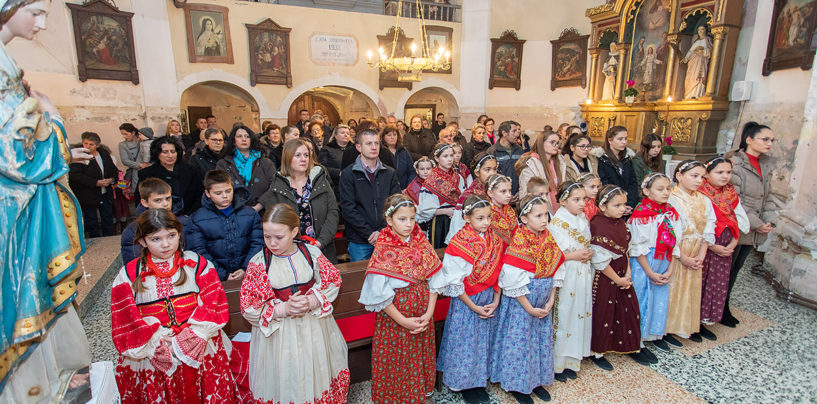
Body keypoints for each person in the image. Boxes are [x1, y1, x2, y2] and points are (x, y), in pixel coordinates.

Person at [0, 2, 91, 398]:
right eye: (35, 10)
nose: (41, 23)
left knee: (32, 288)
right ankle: (29, 385)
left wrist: (60, 144)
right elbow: (17, 157)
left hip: (22, 202)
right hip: (14, 207)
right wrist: (53, 119)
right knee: (22, 290)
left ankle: (49, 374)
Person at [110, 209, 237, 402]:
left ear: (179, 233)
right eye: (156, 239)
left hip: (200, 344)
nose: (166, 244)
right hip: (154, 351)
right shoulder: (128, 274)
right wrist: (158, 340)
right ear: (143, 241)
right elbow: (125, 319)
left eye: (171, 235)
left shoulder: (196, 263)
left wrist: (192, 335)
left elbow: (214, 303)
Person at [240, 204, 349, 404]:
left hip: (314, 327)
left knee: (315, 368)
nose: (272, 243)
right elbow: (250, 307)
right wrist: (283, 309)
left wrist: (312, 300)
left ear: (294, 231)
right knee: (287, 374)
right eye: (266, 236)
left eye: (278, 237)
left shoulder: (310, 254)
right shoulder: (259, 264)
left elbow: (332, 280)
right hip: (280, 335)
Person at [358, 194, 446, 404]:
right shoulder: (384, 247)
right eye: (402, 219)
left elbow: (435, 279)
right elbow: (378, 294)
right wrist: (403, 320)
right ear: (389, 220)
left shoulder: (421, 241)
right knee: (399, 360)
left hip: (423, 313)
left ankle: (418, 395)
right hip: (396, 319)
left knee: (419, 357)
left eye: (412, 218)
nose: (409, 224)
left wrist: (429, 312)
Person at [490, 195, 563, 404]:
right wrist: (529, 307)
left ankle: (536, 379)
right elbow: (512, 280)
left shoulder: (548, 238)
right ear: (524, 219)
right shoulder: (520, 243)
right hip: (522, 305)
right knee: (520, 342)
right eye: (538, 215)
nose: (544, 220)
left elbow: (557, 269)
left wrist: (551, 300)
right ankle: (518, 385)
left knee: (539, 341)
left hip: (542, 302)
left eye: (546, 215)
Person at [436, 195, 504, 402]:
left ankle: (479, 380)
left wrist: (496, 299)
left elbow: (500, 271)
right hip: (467, 302)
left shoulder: (495, 239)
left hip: (489, 298)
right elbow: (455, 282)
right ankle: (464, 384)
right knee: (466, 343)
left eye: (489, 217)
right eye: (480, 218)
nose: (486, 222)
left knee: (484, 341)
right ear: (467, 218)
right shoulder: (459, 244)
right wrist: (475, 307)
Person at [724, 122, 777, 327]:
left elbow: (769, 195)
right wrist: (756, 223)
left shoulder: (765, 165)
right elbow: (734, 198)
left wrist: (768, 220)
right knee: (725, 270)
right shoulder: (735, 164)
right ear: (749, 139)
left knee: (736, 269)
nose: (769, 143)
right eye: (765, 139)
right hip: (738, 225)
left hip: (754, 227)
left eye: (772, 140)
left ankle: (725, 306)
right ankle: (718, 307)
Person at [588, 185, 643, 370]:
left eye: (624, 205)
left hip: (622, 272)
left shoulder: (621, 223)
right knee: (604, 311)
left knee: (627, 309)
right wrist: (617, 279)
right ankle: (598, 350)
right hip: (606, 276)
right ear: (603, 206)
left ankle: (627, 344)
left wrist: (627, 273)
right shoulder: (598, 224)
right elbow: (600, 261)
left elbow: (626, 248)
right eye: (617, 205)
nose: (622, 209)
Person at [627, 173, 682, 354]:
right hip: (645, 263)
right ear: (646, 191)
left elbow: (674, 242)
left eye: (668, 188)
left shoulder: (670, 212)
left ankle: (655, 334)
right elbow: (637, 247)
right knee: (643, 298)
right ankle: (638, 340)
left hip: (664, 260)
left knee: (659, 298)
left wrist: (670, 268)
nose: (665, 193)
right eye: (660, 189)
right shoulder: (642, 214)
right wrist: (649, 272)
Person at [260, 138, 340, 263]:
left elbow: (333, 212)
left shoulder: (320, 180)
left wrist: (320, 242)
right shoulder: (278, 185)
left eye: (306, 155)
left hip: (321, 250)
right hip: (289, 254)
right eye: (298, 155)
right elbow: (273, 222)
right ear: (288, 157)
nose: (303, 159)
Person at [548, 182, 595, 381]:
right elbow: (552, 255)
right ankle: (558, 362)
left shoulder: (582, 218)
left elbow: (586, 242)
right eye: (576, 200)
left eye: (584, 199)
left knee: (579, 312)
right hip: (566, 273)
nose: (582, 203)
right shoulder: (556, 223)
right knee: (565, 313)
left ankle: (573, 359)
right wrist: (574, 255)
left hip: (582, 271)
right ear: (563, 200)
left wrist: (588, 252)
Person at [667, 160, 717, 342]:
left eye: (702, 177)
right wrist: (681, 255)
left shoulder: (704, 199)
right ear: (679, 175)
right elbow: (669, 229)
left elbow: (709, 225)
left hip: (697, 249)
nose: (699, 181)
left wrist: (702, 253)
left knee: (690, 288)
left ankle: (685, 326)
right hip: (679, 250)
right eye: (694, 176)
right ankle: (668, 327)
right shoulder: (671, 197)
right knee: (674, 287)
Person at [186, 169, 264, 281]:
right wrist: (222, 275)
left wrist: (245, 268)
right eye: (218, 193)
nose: (224, 196)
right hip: (214, 278)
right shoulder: (197, 219)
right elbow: (198, 251)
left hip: (249, 274)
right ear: (207, 193)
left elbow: (258, 243)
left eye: (228, 191)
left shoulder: (250, 214)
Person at [699, 157, 750, 327]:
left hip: (727, 244)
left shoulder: (730, 192)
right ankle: (695, 320)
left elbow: (737, 217)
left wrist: (735, 240)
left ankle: (708, 318)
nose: (725, 176)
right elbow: (698, 222)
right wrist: (712, 246)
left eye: (728, 172)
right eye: (719, 172)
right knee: (703, 281)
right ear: (707, 173)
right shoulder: (701, 192)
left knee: (717, 282)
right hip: (706, 245)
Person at [339, 130, 401, 261]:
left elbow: (395, 204)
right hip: (360, 240)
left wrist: (382, 230)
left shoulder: (389, 173)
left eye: (376, 143)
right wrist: (369, 233)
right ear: (358, 147)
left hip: (386, 236)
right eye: (368, 143)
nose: (374, 147)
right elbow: (348, 209)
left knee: (388, 277)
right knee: (361, 279)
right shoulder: (348, 174)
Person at [120, 178, 188, 264]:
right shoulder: (133, 230)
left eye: (168, 198)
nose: (165, 204)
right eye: (158, 200)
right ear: (144, 202)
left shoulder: (184, 221)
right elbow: (135, 266)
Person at [69, 131, 118, 237]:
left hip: (104, 193)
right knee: (91, 220)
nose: (87, 146)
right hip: (88, 194)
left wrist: (111, 180)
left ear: (97, 145)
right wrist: (95, 182)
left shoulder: (103, 153)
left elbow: (113, 169)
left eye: (91, 144)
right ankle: (95, 241)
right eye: (85, 143)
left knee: (107, 218)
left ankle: (108, 240)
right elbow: (75, 176)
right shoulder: (79, 156)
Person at [216, 125, 276, 212]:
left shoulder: (265, 163)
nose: (244, 139)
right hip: (234, 212)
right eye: (239, 136)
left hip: (263, 212)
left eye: (247, 137)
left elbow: (275, 187)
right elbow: (219, 188)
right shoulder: (223, 164)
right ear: (233, 140)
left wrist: (259, 206)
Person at [138, 136, 203, 215]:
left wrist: (188, 215)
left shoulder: (191, 170)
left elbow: (200, 194)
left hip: (189, 216)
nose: (170, 155)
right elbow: (140, 200)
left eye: (173, 151)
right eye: (165, 152)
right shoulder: (147, 174)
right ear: (157, 154)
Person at [418, 143, 466, 249]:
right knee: (441, 252)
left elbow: (464, 198)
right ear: (436, 158)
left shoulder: (458, 177)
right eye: (445, 156)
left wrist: (458, 211)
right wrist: (446, 211)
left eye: (451, 155)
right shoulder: (431, 180)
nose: (449, 159)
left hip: (457, 219)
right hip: (440, 223)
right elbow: (424, 209)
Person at [445, 153, 498, 244]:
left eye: (494, 169)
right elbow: (458, 227)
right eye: (487, 170)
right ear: (477, 172)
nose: (492, 173)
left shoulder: (496, 193)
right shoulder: (468, 196)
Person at [517, 131, 565, 213]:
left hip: (558, 209)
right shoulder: (531, 164)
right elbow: (525, 194)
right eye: (552, 142)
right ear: (541, 143)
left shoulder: (559, 162)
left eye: (557, 143)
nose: (556, 146)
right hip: (539, 210)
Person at [596, 126, 639, 211]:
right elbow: (604, 182)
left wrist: (629, 203)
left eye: (626, 139)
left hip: (627, 202)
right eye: (620, 139)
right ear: (610, 140)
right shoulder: (601, 159)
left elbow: (632, 182)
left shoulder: (627, 158)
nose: (624, 142)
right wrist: (619, 204)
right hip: (611, 203)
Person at [487, 120, 524, 195]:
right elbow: (490, 177)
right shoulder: (493, 151)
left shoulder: (519, 150)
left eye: (517, 131)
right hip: (500, 196)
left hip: (518, 196)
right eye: (513, 131)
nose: (517, 134)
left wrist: (520, 192)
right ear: (504, 133)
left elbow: (523, 173)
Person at [319, 124, 352, 198]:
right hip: (335, 186)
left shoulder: (354, 149)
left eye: (348, 133)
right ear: (336, 136)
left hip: (352, 185)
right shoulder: (327, 149)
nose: (346, 135)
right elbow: (322, 167)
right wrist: (338, 172)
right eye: (343, 133)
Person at [119, 122, 152, 195]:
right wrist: (140, 165)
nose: (124, 136)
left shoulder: (142, 140)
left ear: (133, 133)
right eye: (122, 134)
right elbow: (125, 160)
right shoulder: (122, 145)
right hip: (134, 170)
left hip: (148, 168)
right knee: (135, 190)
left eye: (126, 134)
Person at [683, 25, 712, 100]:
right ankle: (689, 94)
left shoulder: (707, 40)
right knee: (690, 77)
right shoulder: (696, 42)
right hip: (693, 62)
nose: (700, 31)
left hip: (701, 62)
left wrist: (703, 52)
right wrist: (686, 58)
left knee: (698, 78)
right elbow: (690, 51)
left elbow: (711, 51)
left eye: (702, 29)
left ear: (706, 30)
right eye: (699, 30)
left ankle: (698, 94)